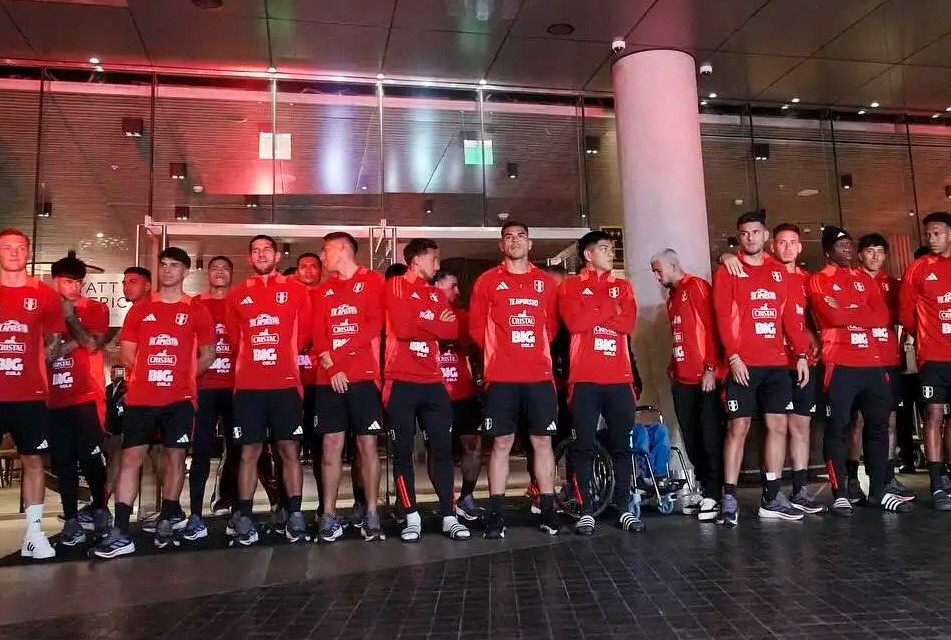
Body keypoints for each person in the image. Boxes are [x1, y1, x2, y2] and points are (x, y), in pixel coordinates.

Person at [93, 247, 216, 558]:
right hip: (142, 398)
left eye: (175, 265)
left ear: (186, 271)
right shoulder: (141, 309)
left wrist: (182, 377)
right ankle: (121, 530)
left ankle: (167, 520)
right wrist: (150, 376)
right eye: (163, 264)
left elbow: (209, 353)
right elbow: (128, 353)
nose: (168, 270)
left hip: (180, 399)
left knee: (175, 459)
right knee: (130, 459)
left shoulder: (196, 309)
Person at [712, 211, 810, 526]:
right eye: (744, 233)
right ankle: (729, 497)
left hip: (777, 364)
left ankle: (772, 497)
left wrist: (801, 354)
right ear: (738, 237)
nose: (750, 237)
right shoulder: (729, 269)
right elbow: (722, 317)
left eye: (755, 232)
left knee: (778, 427)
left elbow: (789, 318)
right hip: (743, 364)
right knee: (737, 428)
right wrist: (733, 357)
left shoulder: (779, 271)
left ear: (765, 235)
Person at [808, 226, 912, 515]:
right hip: (839, 364)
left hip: (873, 363)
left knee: (879, 425)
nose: (847, 249)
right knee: (839, 426)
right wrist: (858, 313)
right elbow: (830, 315)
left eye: (849, 244)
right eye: (840, 245)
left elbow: (882, 316)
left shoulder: (863, 279)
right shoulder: (819, 280)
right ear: (828, 250)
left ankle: (879, 492)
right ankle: (840, 493)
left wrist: (847, 313)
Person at [469, 221, 561, 538]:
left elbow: (551, 327)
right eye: (508, 237)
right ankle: (496, 514)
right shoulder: (487, 281)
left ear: (530, 243)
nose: (515, 241)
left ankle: (548, 510)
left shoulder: (545, 282)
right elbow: (476, 327)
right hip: (501, 376)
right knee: (501, 443)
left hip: (539, 375)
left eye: (521, 236)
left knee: (542, 442)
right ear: (501, 245)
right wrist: (502, 352)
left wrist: (530, 350)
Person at [226, 235, 312, 545]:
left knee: (290, 451)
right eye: (255, 250)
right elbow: (235, 339)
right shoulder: (237, 294)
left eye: (267, 250)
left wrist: (280, 358)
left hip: (285, 385)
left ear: (277, 256)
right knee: (249, 452)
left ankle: (295, 514)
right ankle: (246, 517)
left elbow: (303, 334)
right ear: (249, 258)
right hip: (248, 387)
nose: (261, 254)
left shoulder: (297, 291)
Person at [384, 239, 470, 542]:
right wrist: (433, 321)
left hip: (433, 381)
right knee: (402, 453)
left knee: (443, 450)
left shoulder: (435, 293)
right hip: (400, 380)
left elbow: (451, 330)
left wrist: (422, 320)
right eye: (433, 259)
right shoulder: (395, 285)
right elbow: (403, 328)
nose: (437, 265)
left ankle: (449, 515)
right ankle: (411, 516)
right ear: (416, 260)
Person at [559, 230, 642, 535]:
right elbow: (575, 323)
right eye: (604, 248)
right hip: (584, 379)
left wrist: (594, 312)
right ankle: (586, 510)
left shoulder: (623, 286)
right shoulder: (570, 286)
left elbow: (627, 323)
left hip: (619, 379)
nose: (611, 253)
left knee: (621, 446)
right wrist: (609, 309)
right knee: (582, 445)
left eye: (611, 248)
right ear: (588, 255)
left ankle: (623, 508)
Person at [311, 232, 385, 542]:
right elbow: (318, 335)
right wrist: (332, 367)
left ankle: (371, 512)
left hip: (364, 377)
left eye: (325, 250)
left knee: (367, 446)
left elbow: (373, 324)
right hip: (328, 378)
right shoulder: (322, 290)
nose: (322, 256)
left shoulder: (373, 281)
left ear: (343, 249)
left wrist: (338, 356)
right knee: (331, 445)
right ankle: (328, 514)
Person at [0, 228, 65, 560]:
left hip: (30, 393)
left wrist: (32, 363)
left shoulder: (44, 294)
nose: (13, 252)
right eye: (6, 247)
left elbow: (54, 341)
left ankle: (34, 534)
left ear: (28, 252)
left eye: (19, 247)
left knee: (34, 460)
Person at [650, 248, 724, 522]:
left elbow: (711, 328)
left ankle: (716, 494)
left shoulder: (696, 287)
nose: (657, 276)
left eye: (659, 270)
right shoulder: (673, 297)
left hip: (704, 379)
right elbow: (682, 335)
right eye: (654, 272)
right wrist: (673, 366)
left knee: (709, 438)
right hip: (682, 380)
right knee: (691, 438)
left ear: (673, 264)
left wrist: (710, 368)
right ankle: (704, 490)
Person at [47, 254, 111, 545]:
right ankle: (71, 518)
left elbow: (91, 343)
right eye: (67, 281)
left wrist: (70, 319)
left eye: (77, 282)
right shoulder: (44, 309)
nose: (73, 287)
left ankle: (100, 507)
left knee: (90, 456)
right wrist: (66, 343)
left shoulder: (95, 307)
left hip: (87, 395)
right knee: (63, 461)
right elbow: (42, 352)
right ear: (55, 281)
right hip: (54, 398)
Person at [848, 234, 915, 501]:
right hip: (857, 359)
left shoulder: (894, 285)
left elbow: (907, 314)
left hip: (888, 359)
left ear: (886, 256)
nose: (875, 256)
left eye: (879, 251)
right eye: (869, 251)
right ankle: (852, 479)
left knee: (890, 418)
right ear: (860, 255)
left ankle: (886, 477)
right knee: (857, 419)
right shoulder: (849, 280)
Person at [900, 212, 951, 510]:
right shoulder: (917, 268)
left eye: (937, 233)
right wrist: (925, 337)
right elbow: (905, 314)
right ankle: (936, 483)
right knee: (933, 415)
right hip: (932, 356)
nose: (931, 239)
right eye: (928, 234)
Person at [187, 255, 237, 541]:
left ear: (231, 274)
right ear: (207, 273)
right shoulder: (195, 304)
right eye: (215, 268)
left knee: (239, 450)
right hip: (203, 386)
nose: (219, 272)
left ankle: (236, 508)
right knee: (201, 451)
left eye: (225, 268)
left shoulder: (239, 301)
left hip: (235, 387)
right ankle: (195, 513)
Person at [432, 269, 483, 522]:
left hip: (463, 392)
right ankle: (447, 501)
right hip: (434, 393)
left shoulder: (462, 316)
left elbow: (474, 341)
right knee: (437, 449)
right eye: (452, 285)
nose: (457, 291)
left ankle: (466, 496)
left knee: (473, 445)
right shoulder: (424, 311)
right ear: (437, 286)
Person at [293, 252, 323, 500]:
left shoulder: (326, 295)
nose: (309, 270)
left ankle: (325, 506)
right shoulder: (290, 296)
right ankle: (288, 507)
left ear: (321, 271)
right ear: (297, 271)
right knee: (288, 447)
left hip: (321, 382)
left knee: (321, 449)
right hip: (291, 382)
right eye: (303, 266)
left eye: (314, 266)